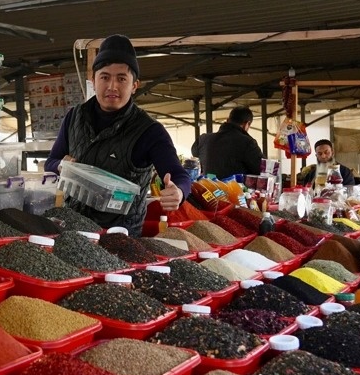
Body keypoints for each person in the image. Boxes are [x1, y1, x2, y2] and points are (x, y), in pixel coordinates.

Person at [44, 34, 189, 232]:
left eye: (121, 79)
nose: (112, 86)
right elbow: (51, 161)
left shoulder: (149, 131)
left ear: (134, 85)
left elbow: (179, 175)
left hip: (120, 237)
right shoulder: (74, 117)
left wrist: (178, 191)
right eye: (105, 77)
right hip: (72, 231)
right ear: (93, 80)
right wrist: (62, 165)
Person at [191, 105, 262, 179]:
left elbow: (194, 158)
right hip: (234, 189)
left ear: (227, 120)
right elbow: (262, 170)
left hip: (207, 188)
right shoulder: (248, 143)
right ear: (247, 124)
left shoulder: (203, 139)